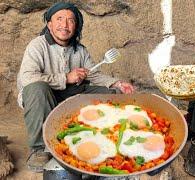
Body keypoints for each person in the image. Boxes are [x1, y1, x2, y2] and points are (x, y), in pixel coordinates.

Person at [16, 2, 134, 172]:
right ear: (49, 24)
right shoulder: (37, 45)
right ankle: (40, 149)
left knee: (111, 95)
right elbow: (28, 78)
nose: (64, 25)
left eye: (71, 20)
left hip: (70, 95)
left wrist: (117, 83)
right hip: (42, 98)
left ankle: (104, 138)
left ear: (76, 26)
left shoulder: (80, 50)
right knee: (36, 88)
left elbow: (92, 74)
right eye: (59, 19)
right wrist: (66, 77)